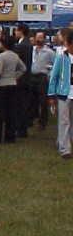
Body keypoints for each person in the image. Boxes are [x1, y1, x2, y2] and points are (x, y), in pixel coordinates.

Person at [0, 35, 25, 143]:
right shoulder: (15, 56)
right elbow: (23, 68)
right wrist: (15, 76)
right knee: (11, 112)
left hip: (2, 86)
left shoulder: (1, 56)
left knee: (0, 113)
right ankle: (10, 137)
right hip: (12, 84)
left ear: (3, 44)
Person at [48, 28, 73, 158]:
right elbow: (54, 76)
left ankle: (66, 142)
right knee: (64, 121)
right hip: (64, 93)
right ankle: (65, 149)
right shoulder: (61, 57)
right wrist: (51, 94)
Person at [31, 31, 55, 129]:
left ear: (44, 39)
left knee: (43, 101)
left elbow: (54, 65)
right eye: (37, 37)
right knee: (32, 99)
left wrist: (48, 70)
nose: (38, 39)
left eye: (40, 38)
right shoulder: (32, 50)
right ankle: (32, 118)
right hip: (32, 76)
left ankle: (42, 122)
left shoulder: (49, 52)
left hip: (42, 77)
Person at [14, 23, 33, 137]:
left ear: (21, 31)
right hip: (26, 78)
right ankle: (23, 128)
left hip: (21, 79)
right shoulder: (28, 44)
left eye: (16, 30)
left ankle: (21, 128)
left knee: (20, 104)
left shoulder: (22, 46)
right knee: (23, 104)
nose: (15, 33)